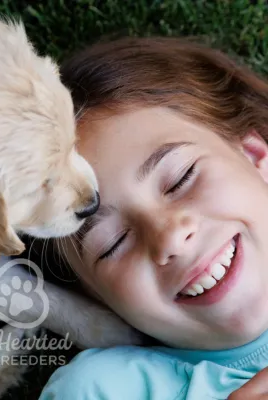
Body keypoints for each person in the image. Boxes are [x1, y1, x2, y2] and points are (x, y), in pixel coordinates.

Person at [38, 36, 268, 399]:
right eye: (112, 244)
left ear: (256, 157)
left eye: (181, 179)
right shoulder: (105, 390)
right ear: (99, 302)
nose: (170, 238)